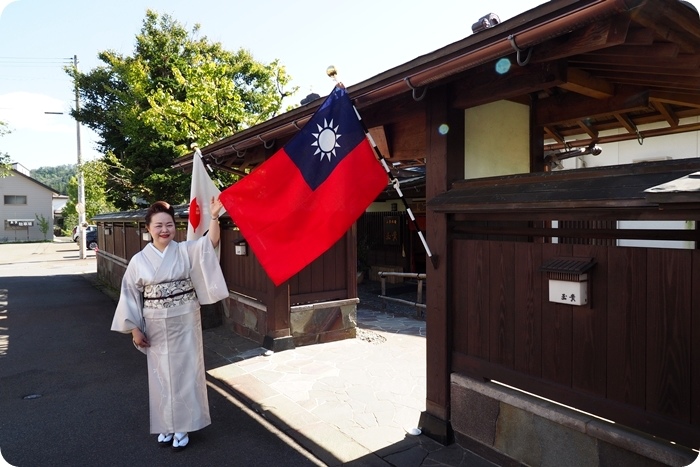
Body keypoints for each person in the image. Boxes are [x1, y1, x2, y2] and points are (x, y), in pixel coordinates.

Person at [111, 197, 228, 451]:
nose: (165, 230)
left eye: (169, 225)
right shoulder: (139, 261)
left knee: (186, 371)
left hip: (185, 317)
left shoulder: (185, 250)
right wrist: (134, 329)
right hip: (154, 322)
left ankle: (183, 425)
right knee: (161, 374)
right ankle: (167, 422)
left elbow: (210, 244)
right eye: (158, 226)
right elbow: (129, 294)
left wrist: (215, 217)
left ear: (175, 227)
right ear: (148, 229)